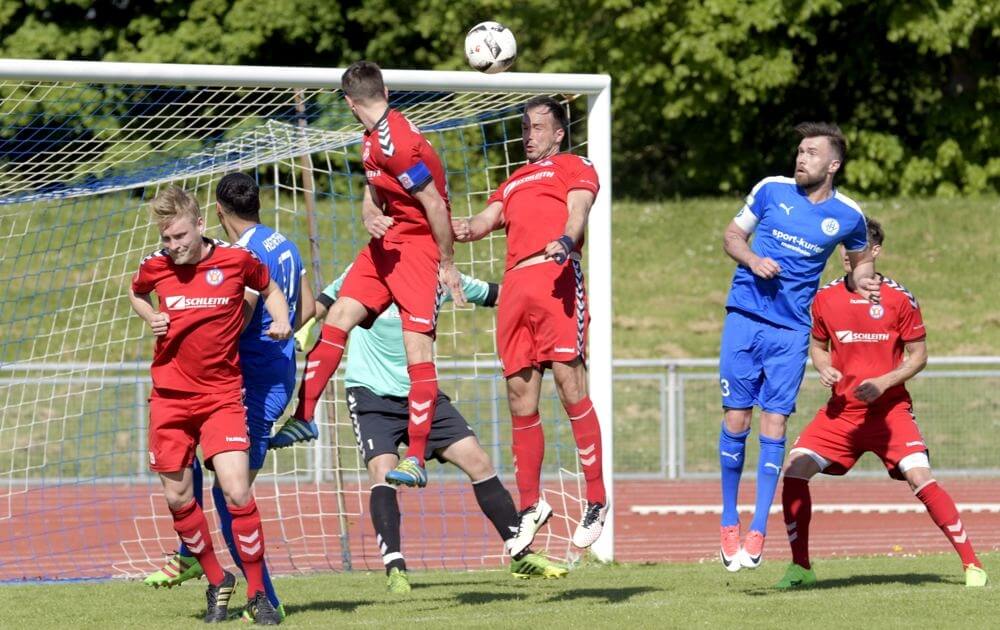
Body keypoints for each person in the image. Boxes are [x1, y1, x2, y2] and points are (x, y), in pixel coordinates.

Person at [292, 266, 567, 591]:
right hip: (371, 394)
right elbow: (323, 303)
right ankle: (395, 569)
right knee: (383, 471)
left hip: (422, 393)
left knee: (478, 460)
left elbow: (495, 294)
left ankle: (520, 553)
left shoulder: (438, 276)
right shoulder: (364, 269)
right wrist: (300, 326)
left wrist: (545, 294)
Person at [270, 60, 464, 492]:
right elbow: (374, 187)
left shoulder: (399, 144)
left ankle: (416, 457)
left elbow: (435, 203)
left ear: (348, 102)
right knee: (337, 317)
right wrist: (368, 212)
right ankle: (304, 417)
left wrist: (447, 263)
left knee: (417, 350)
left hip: (418, 250)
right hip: (386, 244)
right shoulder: (372, 137)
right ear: (385, 92)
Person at [776, 219, 988, 589]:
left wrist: (884, 382)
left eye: (857, 247)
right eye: (845, 246)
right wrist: (823, 367)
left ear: (875, 251)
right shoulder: (824, 298)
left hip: (890, 413)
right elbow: (818, 346)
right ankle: (801, 567)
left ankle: (972, 564)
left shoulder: (899, 298)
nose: (848, 254)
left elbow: (919, 356)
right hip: (842, 413)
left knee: (920, 478)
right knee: (794, 471)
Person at [143, 173, 315, 622]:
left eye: (180, 235)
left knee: (232, 492)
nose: (174, 245)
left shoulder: (241, 256)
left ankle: (263, 595)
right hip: (232, 384)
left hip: (239, 386)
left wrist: (212, 332)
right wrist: (282, 333)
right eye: (167, 238)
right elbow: (309, 307)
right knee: (194, 490)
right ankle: (204, 565)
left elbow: (249, 309)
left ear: (211, 217)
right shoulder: (282, 244)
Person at [716, 122, 882, 572]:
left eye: (811, 153)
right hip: (745, 317)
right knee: (736, 417)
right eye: (800, 151)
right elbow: (732, 236)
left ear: (833, 164)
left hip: (791, 332)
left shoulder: (848, 215)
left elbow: (861, 262)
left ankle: (758, 527)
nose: (801, 158)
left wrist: (864, 284)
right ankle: (728, 519)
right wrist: (753, 259)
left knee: (775, 422)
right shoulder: (770, 189)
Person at [451, 96, 607, 553]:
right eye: (525, 128)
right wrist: (459, 226)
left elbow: (578, 210)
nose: (528, 135)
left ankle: (596, 498)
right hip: (515, 289)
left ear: (558, 133)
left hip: (554, 276)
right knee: (520, 398)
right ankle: (530, 505)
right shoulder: (513, 180)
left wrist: (566, 239)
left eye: (538, 127)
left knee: (570, 384)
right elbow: (483, 222)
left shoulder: (574, 165)